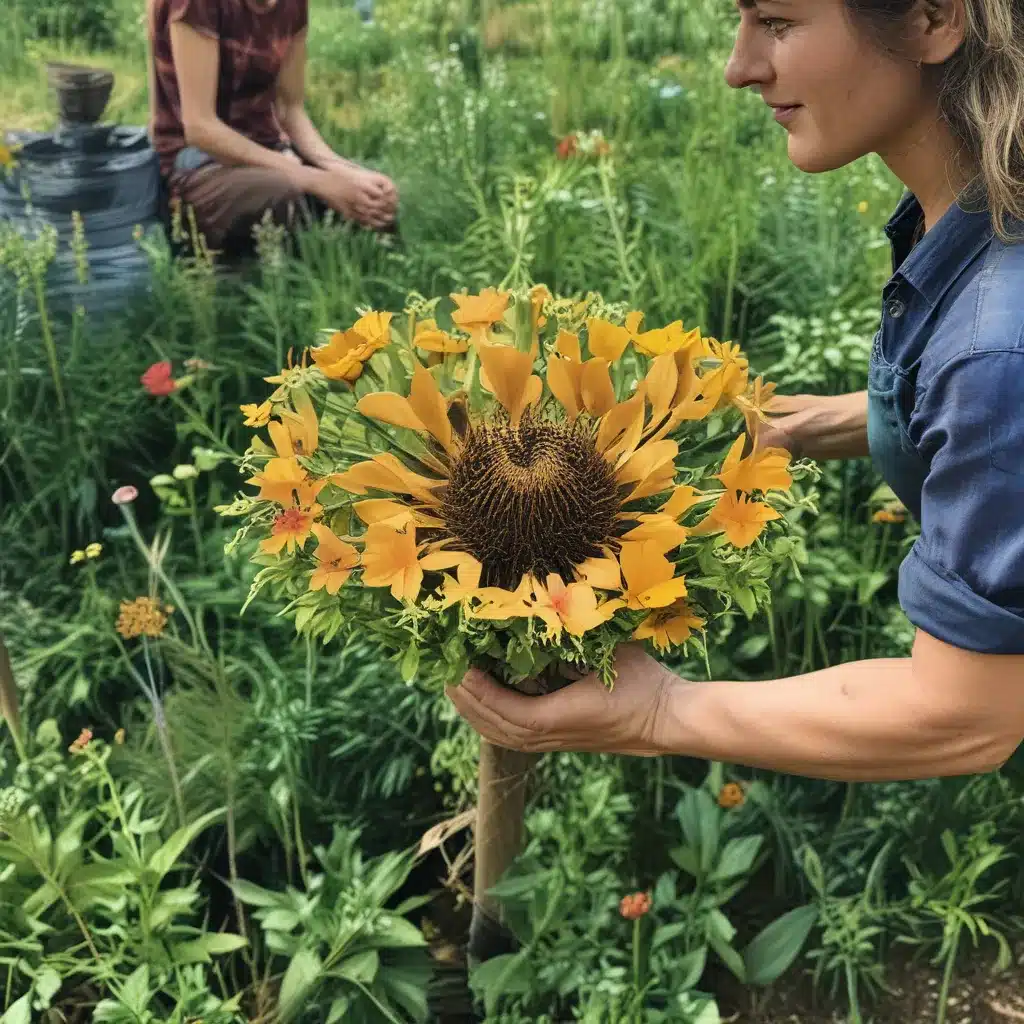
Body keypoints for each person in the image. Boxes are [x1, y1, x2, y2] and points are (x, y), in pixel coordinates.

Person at [448, 0, 1024, 781]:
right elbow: (976, 421)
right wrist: (805, 426)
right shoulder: (970, 210)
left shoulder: (995, 341)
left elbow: (965, 718)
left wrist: (659, 712)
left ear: (930, 20)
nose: (737, 66)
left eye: (778, 22)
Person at [146, 0, 398, 256]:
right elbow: (201, 128)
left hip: (269, 154)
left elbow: (291, 110)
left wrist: (345, 171)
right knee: (282, 196)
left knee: (372, 200)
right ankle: (229, 275)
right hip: (198, 165)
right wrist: (314, 180)